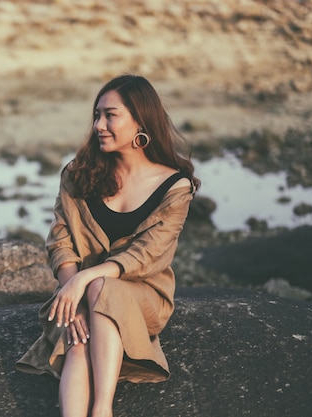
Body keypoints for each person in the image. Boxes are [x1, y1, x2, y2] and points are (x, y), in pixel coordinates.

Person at [16, 74, 200, 417]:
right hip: (81, 289)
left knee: (102, 285)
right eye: (96, 115)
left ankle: (103, 409)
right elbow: (61, 240)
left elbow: (147, 254)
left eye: (110, 115)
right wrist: (73, 294)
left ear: (140, 122)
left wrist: (83, 282)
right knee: (76, 342)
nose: (99, 125)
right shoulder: (78, 173)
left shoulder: (175, 186)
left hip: (141, 292)